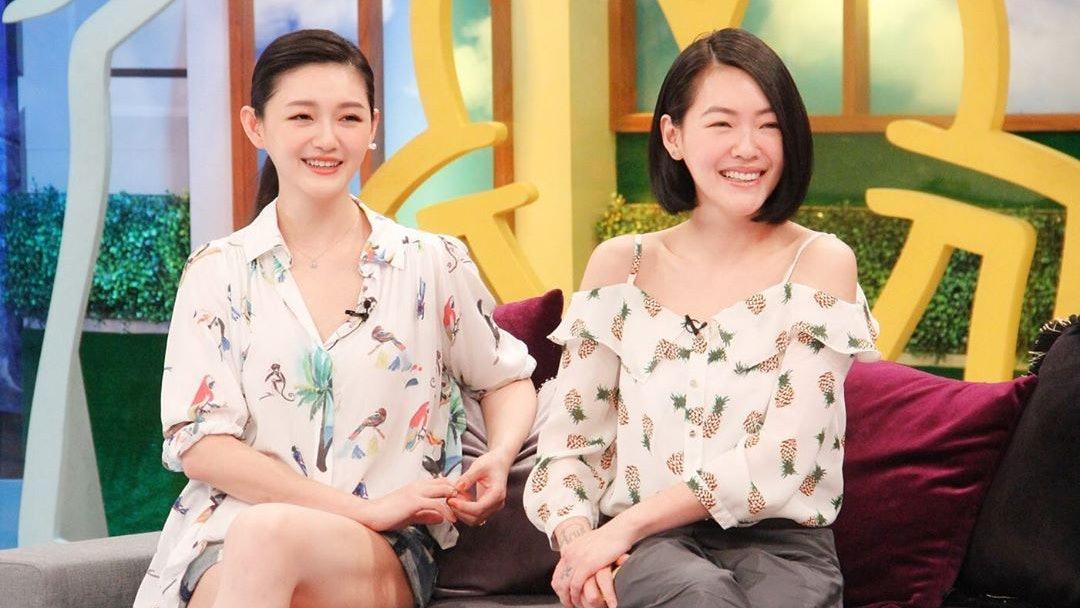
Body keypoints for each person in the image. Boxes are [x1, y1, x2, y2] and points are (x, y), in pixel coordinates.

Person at [134, 29, 537, 608]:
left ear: (373, 127)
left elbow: (505, 377)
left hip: (383, 546)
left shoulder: (431, 262)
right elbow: (202, 445)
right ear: (256, 126)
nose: (327, 138)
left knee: (267, 537)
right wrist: (364, 508)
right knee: (255, 545)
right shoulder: (217, 271)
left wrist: (497, 458)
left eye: (348, 117)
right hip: (225, 538)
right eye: (302, 116)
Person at [524, 28, 880, 608]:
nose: (749, 147)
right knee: (696, 593)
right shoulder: (620, 268)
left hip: (783, 550)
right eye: (722, 124)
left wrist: (620, 530)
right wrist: (581, 545)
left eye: (769, 125)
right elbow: (570, 446)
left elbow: (782, 455)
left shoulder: (820, 264)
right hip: (649, 551)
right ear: (673, 136)